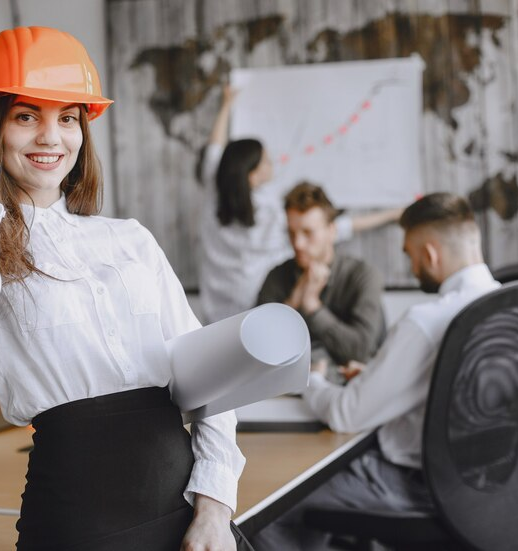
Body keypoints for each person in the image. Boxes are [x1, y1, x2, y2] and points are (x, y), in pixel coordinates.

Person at [0, 27, 251, 551]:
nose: (51, 137)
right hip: (80, 519)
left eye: (67, 118)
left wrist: (214, 507)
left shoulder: (129, 240)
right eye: (27, 116)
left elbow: (208, 377)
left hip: (188, 508)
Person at [251, 192, 501, 550]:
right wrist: (379, 375)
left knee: (273, 500)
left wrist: (313, 380)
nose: (412, 267)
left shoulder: (425, 323)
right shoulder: (508, 306)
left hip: (414, 484)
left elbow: (345, 413)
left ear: (429, 254)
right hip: (479, 485)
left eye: (410, 255)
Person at [198, 86, 401, 325]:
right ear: (252, 176)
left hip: (213, 306)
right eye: (265, 161)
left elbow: (214, 147)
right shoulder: (270, 215)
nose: (272, 162)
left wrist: (226, 104)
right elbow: (338, 226)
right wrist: (392, 214)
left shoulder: (214, 187)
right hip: (253, 308)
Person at [256, 182, 385, 366]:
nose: (298, 243)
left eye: (308, 233)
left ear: (331, 231)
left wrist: (312, 306)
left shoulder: (363, 275)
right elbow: (259, 350)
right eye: (291, 233)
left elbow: (360, 350)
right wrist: (293, 301)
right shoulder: (276, 277)